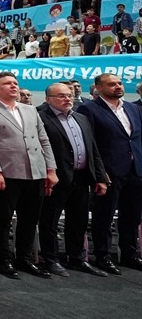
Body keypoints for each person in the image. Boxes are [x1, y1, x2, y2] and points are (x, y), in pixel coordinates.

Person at [0, 72, 58, 279]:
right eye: (8, 83)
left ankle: (25, 258)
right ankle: (4, 259)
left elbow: (44, 140)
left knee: (30, 219)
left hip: (35, 170)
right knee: (3, 218)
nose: (13, 86)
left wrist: (50, 169)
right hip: (7, 172)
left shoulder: (30, 110)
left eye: (15, 83)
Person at [38, 83, 109, 277]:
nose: (67, 99)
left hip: (82, 176)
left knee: (78, 220)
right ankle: (51, 259)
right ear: (48, 99)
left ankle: (77, 258)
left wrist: (101, 177)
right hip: (55, 177)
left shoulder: (81, 118)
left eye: (69, 95)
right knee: (50, 221)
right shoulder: (41, 118)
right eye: (61, 96)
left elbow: (92, 149)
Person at [76, 73, 142, 274]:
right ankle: (103, 255)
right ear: (98, 88)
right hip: (109, 171)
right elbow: (90, 143)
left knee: (132, 216)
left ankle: (130, 254)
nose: (117, 87)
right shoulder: (89, 109)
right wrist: (99, 173)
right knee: (103, 216)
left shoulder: (132, 108)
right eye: (112, 84)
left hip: (135, 169)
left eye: (119, 83)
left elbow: (135, 139)